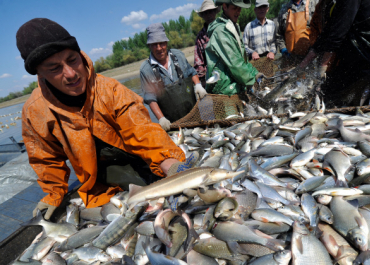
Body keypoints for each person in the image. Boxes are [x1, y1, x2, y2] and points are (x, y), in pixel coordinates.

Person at [17, 18, 191, 220]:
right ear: (39, 73)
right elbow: (46, 159)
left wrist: (168, 160)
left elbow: (141, 128)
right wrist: (54, 195)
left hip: (134, 157)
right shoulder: (34, 112)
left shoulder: (110, 90)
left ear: (80, 55)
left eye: (73, 60)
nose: (71, 74)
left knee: (156, 191)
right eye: (55, 68)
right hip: (97, 179)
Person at [298, 0, 370, 106]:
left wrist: (322, 66)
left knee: (334, 96)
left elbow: (339, 31)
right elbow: (330, 28)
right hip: (352, 56)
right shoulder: (333, 4)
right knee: (332, 93)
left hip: (363, 56)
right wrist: (304, 62)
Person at [140, 23, 207, 131]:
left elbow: (192, 72)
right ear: (149, 46)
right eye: (154, 44)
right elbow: (150, 98)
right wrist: (161, 119)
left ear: (166, 42)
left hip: (195, 116)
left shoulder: (178, 55)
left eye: (161, 43)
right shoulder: (145, 69)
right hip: (173, 125)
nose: (159, 48)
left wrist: (198, 85)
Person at [205, 0, 261, 96]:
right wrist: (251, 80)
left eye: (239, 8)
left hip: (233, 85)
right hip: (224, 90)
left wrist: (255, 73)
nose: (238, 12)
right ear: (225, 7)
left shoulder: (233, 26)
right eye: (234, 8)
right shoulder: (221, 31)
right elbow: (235, 63)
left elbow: (242, 59)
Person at [194, 0, 221, 87]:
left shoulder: (223, 29)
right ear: (202, 16)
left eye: (211, 12)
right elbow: (199, 63)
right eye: (205, 13)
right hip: (212, 75)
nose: (209, 15)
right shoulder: (200, 37)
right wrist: (203, 81)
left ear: (215, 12)